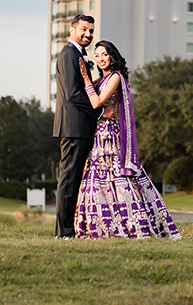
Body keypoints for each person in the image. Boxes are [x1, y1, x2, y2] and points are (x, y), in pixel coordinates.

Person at [74, 40, 180, 240]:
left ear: (112, 55)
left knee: (119, 179)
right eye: (97, 55)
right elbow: (96, 107)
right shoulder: (99, 81)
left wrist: (85, 78)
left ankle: (133, 226)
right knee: (99, 180)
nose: (100, 58)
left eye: (104, 54)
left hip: (111, 137)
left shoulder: (116, 77)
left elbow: (96, 102)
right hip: (99, 135)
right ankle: (103, 227)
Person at [54, 14, 114, 239]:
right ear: (72, 30)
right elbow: (73, 94)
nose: (88, 34)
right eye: (84, 29)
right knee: (69, 179)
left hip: (80, 128)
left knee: (75, 179)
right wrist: (100, 111)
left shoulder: (77, 55)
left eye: (91, 31)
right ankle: (64, 233)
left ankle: (70, 230)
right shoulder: (69, 55)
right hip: (73, 128)